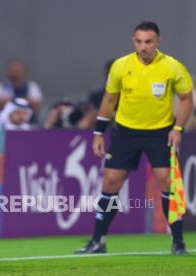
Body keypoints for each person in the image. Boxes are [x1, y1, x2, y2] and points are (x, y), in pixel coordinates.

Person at [75, 21, 194, 255]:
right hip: (125, 132)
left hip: (160, 132)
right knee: (110, 182)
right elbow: (109, 100)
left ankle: (178, 241)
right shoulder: (120, 66)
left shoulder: (172, 67)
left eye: (148, 42)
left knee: (166, 182)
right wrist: (99, 132)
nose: (143, 47)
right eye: (139, 41)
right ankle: (97, 241)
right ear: (133, 41)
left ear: (158, 41)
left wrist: (177, 129)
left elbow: (187, 99)